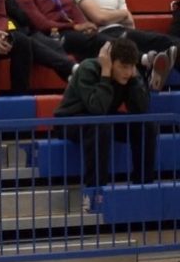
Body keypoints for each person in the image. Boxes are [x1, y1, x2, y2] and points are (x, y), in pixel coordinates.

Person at [54, 39, 156, 205]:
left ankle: (143, 188)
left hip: (103, 119)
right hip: (70, 119)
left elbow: (141, 109)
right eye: (123, 67)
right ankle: (96, 194)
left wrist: (135, 79)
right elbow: (97, 108)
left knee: (146, 126)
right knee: (100, 126)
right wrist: (106, 74)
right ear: (110, 62)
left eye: (131, 66)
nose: (127, 72)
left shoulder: (129, 75)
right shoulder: (88, 68)